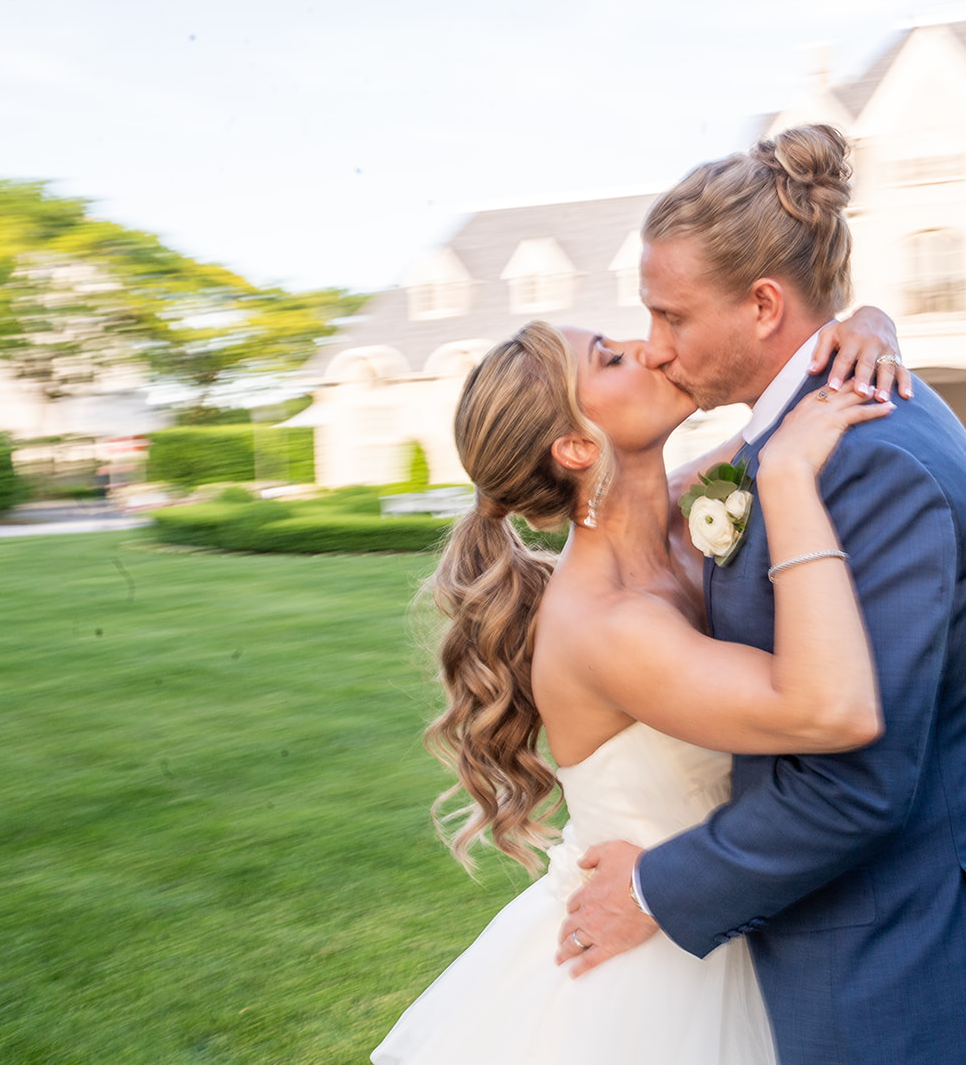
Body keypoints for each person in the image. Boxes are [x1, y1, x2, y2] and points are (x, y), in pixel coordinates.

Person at [558, 124, 966, 1064]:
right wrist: (866, 320)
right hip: (823, 948)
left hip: (893, 970)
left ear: (763, 306)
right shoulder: (789, 433)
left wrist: (656, 889)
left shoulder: (866, 463)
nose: (656, 349)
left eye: (672, 318)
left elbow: (858, 784)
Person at [370, 308, 906, 1064]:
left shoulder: (685, 514)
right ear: (579, 446)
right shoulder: (609, 622)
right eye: (613, 358)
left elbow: (772, 418)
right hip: (649, 978)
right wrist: (786, 481)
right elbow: (831, 708)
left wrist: (871, 325)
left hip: (730, 918)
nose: (651, 349)